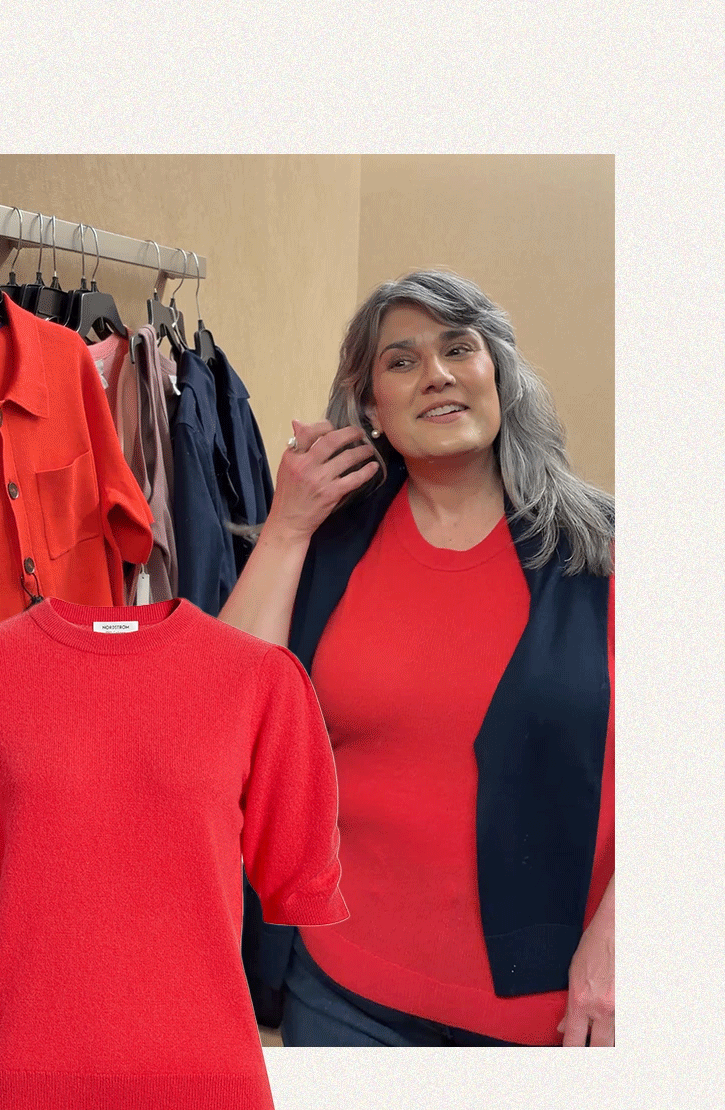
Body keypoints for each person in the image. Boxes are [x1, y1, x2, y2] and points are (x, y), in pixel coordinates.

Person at [220, 269, 614, 1047]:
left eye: (458, 349)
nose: (434, 374)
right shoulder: (328, 544)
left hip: (557, 1009)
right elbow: (224, 713)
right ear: (371, 406)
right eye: (400, 361)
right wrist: (286, 529)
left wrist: (627, 934)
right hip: (339, 991)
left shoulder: (606, 549)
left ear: (496, 374)